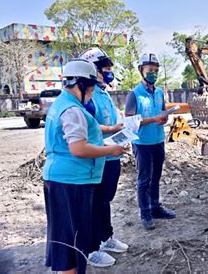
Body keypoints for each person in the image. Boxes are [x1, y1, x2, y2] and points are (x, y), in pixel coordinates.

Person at [43, 59, 124, 274]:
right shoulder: (72, 109)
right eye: (90, 89)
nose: (91, 93)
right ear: (80, 85)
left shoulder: (62, 104)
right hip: (72, 182)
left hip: (62, 179)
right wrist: (110, 150)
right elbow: (78, 148)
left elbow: (85, 132)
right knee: (72, 244)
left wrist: (106, 138)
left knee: (66, 239)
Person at [79, 47, 128, 268]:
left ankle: (106, 238)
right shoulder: (87, 96)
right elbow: (89, 126)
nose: (108, 72)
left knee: (105, 200)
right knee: (92, 204)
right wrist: (111, 128)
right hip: (98, 157)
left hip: (111, 156)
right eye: (104, 68)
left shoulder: (104, 91)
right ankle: (91, 249)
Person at [124, 53, 176, 230]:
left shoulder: (160, 92)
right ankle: (145, 212)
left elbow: (161, 113)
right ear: (141, 71)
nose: (153, 73)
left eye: (155, 70)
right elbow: (130, 123)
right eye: (149, 70)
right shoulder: (134, 94)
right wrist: (153, 119)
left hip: (158, 141)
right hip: (142, 144)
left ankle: (155, 208)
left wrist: (164, 119)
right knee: (144, 179)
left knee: (156, 177)